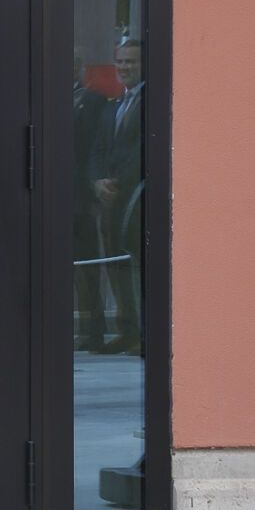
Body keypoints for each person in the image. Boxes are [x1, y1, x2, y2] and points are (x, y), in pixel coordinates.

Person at [94, 36, 145, 355]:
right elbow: (97, 151)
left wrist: (118, 183)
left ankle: (145, 334)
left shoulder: (153, 100)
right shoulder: (113, 104)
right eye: (121, 61)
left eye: (131, 61)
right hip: (109, 200)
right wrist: (97, 181)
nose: (125, 67)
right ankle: (127, 330)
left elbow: (143, 149)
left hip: (136, 199)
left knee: (138, 267)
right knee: (115, 265)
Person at [72, 54, 115, 352]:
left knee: (86, 265)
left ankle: (93, 329)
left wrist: (92, 189)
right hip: (54, 194)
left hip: (81, 197)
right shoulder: (47, 98)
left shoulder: (93, 100)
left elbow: (96, 148)